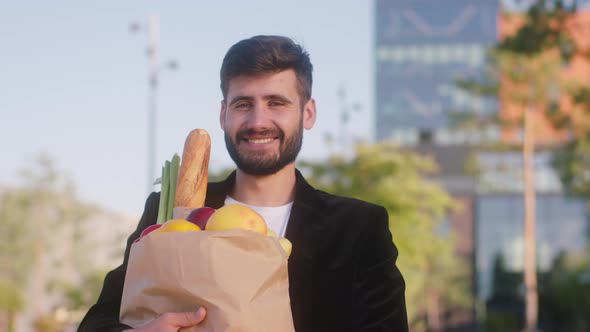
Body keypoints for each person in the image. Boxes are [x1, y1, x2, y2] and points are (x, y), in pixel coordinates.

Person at [78, 35, 408, 332]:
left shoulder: (359, 227)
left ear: (308, 113)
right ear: (223, 114)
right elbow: (100, 321)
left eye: (276, 103)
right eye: (243, 104)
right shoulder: (169, 213)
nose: (258, 121)